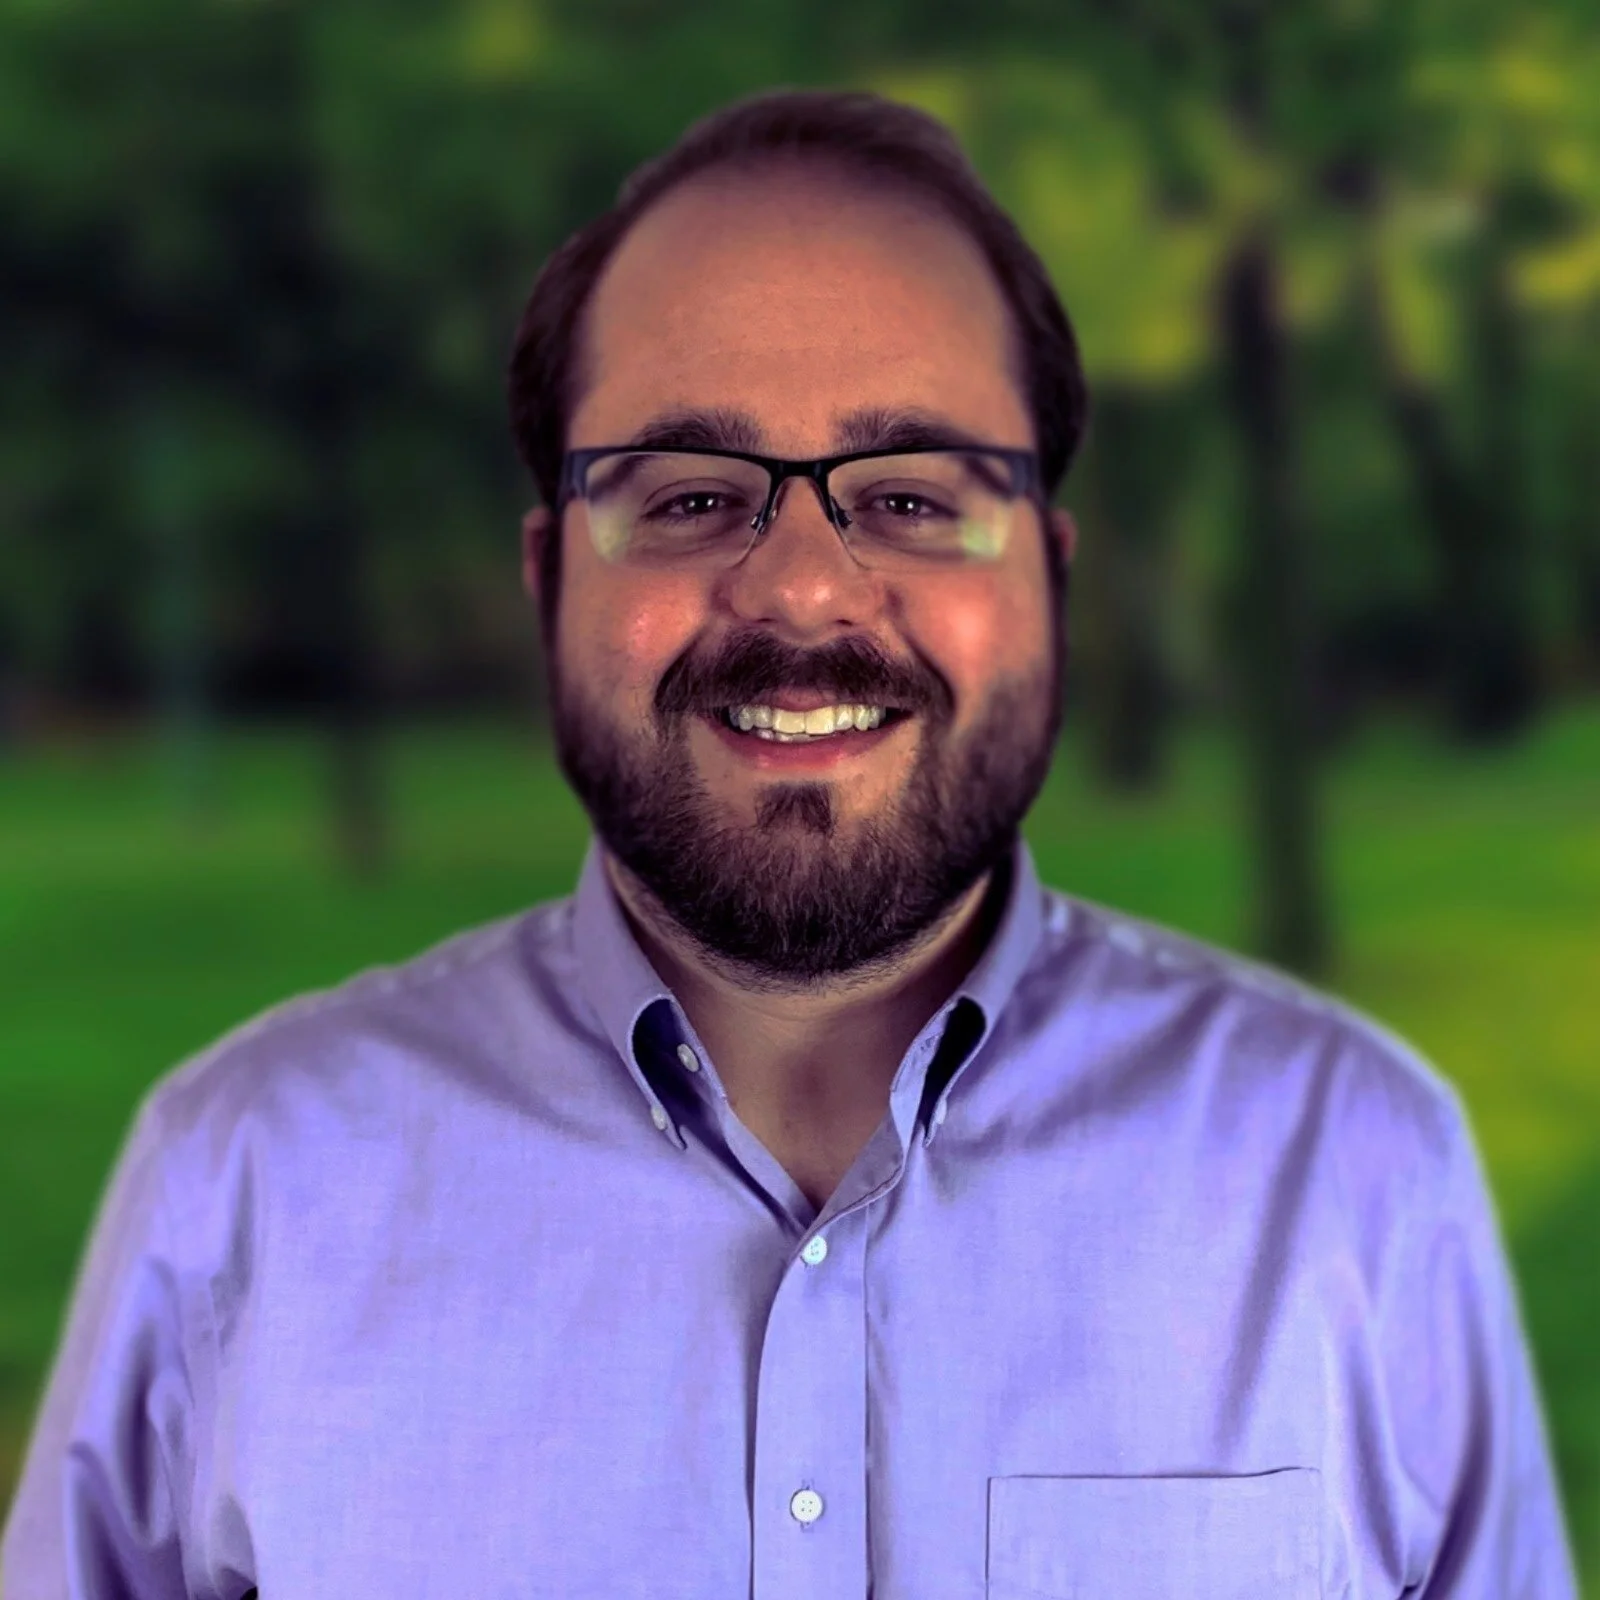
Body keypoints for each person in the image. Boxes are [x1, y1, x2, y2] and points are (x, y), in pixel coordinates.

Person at [1, 89, 1576, 1600]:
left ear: (1051, 575)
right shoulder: (244, 1187)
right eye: (689, 498)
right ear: (551, 582)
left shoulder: (1352, 1168)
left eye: (908, 495)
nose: (806, 591)